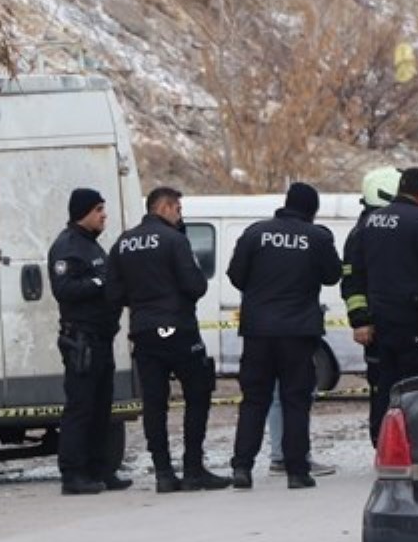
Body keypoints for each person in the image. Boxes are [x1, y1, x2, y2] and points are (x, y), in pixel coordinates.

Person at [105, 187, 229, 493]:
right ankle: (193, 469)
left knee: (154, 402)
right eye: (179, 210)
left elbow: (113, 293)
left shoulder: (123, 243)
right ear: (166, 208)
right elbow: (195, 285)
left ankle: (163, 472)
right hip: (179, 328)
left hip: (144, 331)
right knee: (197, 394)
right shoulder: (175, 240)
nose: (180, 215)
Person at [226, 183, 342, 490]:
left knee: (254, 400)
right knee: (295, 400)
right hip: (298, 332)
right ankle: (296, 470)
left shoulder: (255, 233)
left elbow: (236, 275)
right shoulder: (317, 238)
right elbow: (333, 274)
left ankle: (242, 467)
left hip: (258, 331)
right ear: (312, 210)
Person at [356, 167, 418, 442]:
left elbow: (358, 271)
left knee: (385, 383)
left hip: (381, 320)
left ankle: (382, 439)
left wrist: (362, 317)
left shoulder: (372, 220)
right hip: (415, 320)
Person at [48, 188, 130, 495]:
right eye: (98, 210)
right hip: (81, 339)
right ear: (83, 212)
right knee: (81, 407)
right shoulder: (67, 246)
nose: (103, 215)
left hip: (101, 337)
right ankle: (73, 474)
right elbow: (64, 288)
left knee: (101, 407)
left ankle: (100, 469)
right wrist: (99, 283)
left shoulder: (92, 246)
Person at [341, 165, 401, 445]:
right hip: (376, 324)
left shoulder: (378, 225)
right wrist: (361, 319)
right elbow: (352, 282)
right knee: (382, 387)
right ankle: (381, 440)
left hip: (389, 320)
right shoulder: (362, 233)